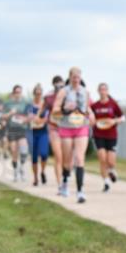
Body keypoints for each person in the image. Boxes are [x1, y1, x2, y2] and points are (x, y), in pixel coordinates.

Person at [51, 68, 95, 203]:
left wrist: (91, 114)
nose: (76, 79)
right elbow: (55, 110)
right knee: (67, 161)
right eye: (74, 77)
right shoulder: (64, 91)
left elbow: (87, 108)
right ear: (69, 77)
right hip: (66, 127)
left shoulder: (85, 92)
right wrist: (65, 109)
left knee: (79, 158)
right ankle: (64, 182)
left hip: (81, 127)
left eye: (78, 77)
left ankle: (80, 192)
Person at [91, 82, 125, 192]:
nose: (103, 91)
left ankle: (112, 170)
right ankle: (106, 183)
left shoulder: (113, 104)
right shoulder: (94, 106)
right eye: (101, 89)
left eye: (105, 89)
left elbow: (122, 117)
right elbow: (90, 119)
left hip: (111, 135)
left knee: (110, 161)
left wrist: (114, 121)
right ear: (98, 91)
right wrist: (93, 121)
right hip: (98, 134)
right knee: (102, 158)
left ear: (107, 91)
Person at [1, 85, 30, 182]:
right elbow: (3, 117)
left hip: (22, 129)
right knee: (14, 151)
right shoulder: (8, 104)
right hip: (12, 129)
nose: (18, 94)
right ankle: (15, 172)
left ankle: (22, 167)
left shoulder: (25, 103)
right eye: (16, 92)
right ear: (13, 93)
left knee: (24, 150)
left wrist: (25, 119)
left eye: (20, 92)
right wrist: (10, 113)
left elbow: (29, 116)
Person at [44, 75, 65, 192]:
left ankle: (65, 174)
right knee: (58, 156)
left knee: (67, 158)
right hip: (53, 128)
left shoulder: (69, 95)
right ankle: (60, 184)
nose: (59, 85)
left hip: (67, 128)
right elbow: (43, 110)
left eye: (61, 83)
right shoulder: (48, 97)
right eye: (56, 83)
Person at [28, 84, 50, 186]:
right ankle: (35, 178)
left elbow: (47, 118)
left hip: (43, 132)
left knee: (44, 154)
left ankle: (43, 172)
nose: (38, 95)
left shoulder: (45, 106)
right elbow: (27, 118)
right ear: (34, 94)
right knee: (34, 156)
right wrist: (31, 119)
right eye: (36, 93)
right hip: (32, 132)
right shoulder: (29, 105)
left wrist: (38, 120)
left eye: (40, 93)